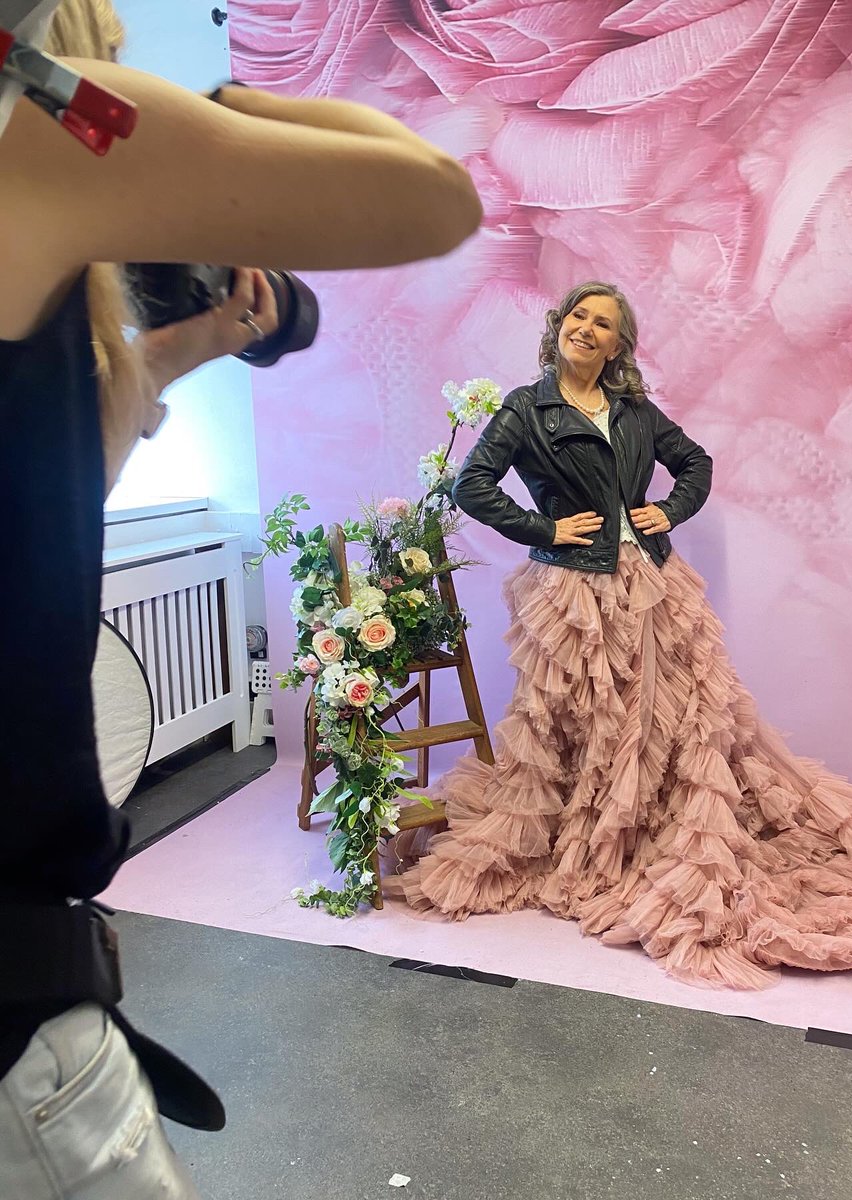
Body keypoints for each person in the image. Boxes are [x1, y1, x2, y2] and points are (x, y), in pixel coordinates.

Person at [0, 0, 482, 1194]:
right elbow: (434, 195)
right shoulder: (44, 131)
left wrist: (197, 341)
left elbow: (42, 490)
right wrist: (219, 108)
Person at [385, 281, 852, 991]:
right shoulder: (527, 408)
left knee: (668, 716)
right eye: (578, 316)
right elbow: (472, 483)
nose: (586, 329)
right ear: (559, 326)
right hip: (575, 587)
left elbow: (696, 463)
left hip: (653, 581)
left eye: (603, 324)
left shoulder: (632, 411)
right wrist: (544, 529)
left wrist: (669, 509)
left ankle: (646, 827)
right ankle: (598, 834)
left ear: (617, 345)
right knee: (587, 717)